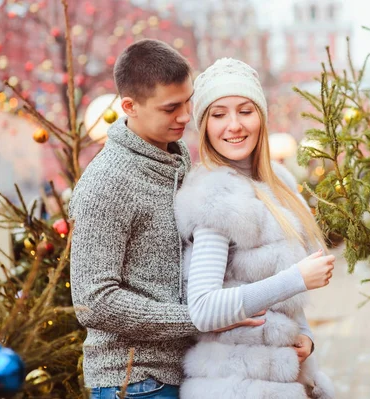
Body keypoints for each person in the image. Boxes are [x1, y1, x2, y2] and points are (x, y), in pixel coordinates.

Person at [69, 40, 333, 399]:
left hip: (183, 371)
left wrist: (299, 336)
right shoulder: (108, 182)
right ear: (129, 106)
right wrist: (201, 317)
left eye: (187, 102)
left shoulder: (176, 162)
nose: (183, 117)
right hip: (134, 379)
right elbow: (94, 302)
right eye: (170, 108)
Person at [174, 58, 336, 398]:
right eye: (219, 115)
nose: (234, 125)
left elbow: (289, 304)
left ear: (261, 116)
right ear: (204, 126)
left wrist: (305, 338)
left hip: (280, 380)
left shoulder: (280, 187)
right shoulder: (216, 194)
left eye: (245, 111)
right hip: (234, 386)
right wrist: (297, 279)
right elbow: (203, 310)